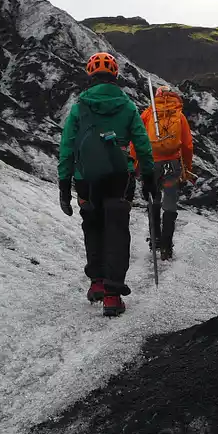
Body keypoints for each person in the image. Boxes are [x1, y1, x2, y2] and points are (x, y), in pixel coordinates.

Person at [58, 52, 156, 316]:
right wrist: (149, 178)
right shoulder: (127, 107)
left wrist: (64, 184)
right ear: (115, 76)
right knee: (116, 231)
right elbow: (143, 145)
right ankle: (113, 296)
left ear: (90, 76)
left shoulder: (79, 107)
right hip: (119, 178)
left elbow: (67, 146)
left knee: (93, 228)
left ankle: (97, 283)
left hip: (84, 179)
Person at [132, 84, 194, 260]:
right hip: (172, 164)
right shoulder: (179, 116)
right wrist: (187, 169)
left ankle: (155, 240)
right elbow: (188, 145)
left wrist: (135, 163)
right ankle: (166, 246)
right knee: (170, 202)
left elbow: (137, 139)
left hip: (151, 163)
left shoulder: (148, 114)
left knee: (154, 198)